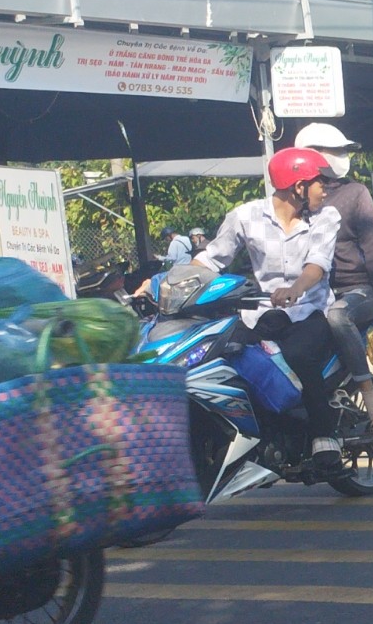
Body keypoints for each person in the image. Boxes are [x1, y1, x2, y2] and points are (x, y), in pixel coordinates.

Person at [145, 146, 347, 468]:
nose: (325, 189)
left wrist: (295, 289)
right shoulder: (245, 216)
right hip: (262, 313)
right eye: (320, 182)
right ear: (299, 187)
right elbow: (211, 260)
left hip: (310, 309)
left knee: (298, 354)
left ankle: (324, 435)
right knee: (231, 352)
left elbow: (317, 266)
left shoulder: (326, 217)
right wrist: (167, 283)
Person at [290, 122, 373, 439]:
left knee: (337, 315)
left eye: (342, 151)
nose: (341, 157)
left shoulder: (355, 193)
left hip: (357, 290)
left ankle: (368, 391)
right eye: (335, 151)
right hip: (314, 294)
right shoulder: (296, 199)